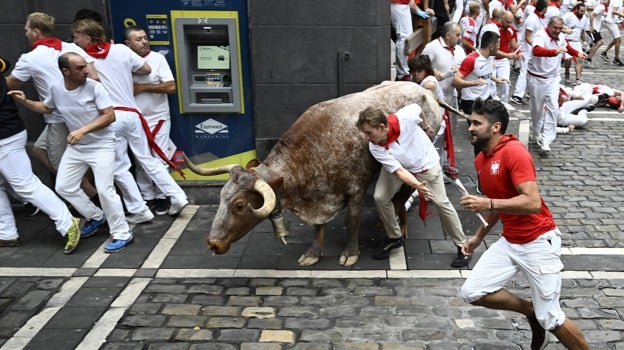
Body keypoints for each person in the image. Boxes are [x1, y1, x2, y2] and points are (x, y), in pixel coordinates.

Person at [459, 98, 591, 350]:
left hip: (538, 242)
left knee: (551, 317)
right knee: (472, 292)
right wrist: (478, 237)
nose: (470, 128)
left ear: (495, 127)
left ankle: (542, 317)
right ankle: (531, 312)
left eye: (477, 123)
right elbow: (499, 202)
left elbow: (531, 203)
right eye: (470, 122)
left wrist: (488, 203)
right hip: (510, 241)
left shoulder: (514, 152)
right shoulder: (481, 159)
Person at [9, 53, 134, 253]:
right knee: (64, 186)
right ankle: (96, 216)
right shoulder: (57, 88)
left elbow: (109, 116)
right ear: (65, 71)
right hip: (77, 147)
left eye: (85, 66)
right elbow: (47, 108)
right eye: (80, 68)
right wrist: (25, 102)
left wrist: (82, 130)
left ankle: (122, 233)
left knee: (104, 190)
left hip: (102, 145)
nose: (86, 71)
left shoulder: (95, 87)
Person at [71, 19, 188, 229]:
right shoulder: (121, 51)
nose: (75, 41)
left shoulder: (84, 59)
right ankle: (177, 195)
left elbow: (94, 80)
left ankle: (138, 209)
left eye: (77, 37)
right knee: (149, 160)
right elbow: (145, 68)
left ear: (87, 38)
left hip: (111, 117)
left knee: (119, 167)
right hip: (133, 115)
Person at [356, 104, 471, 268]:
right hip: (400, 168)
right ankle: (394, 237)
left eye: (369, 132)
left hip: (426, 166)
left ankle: (463, 245)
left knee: (441, 202)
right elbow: (399, 172)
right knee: (380, 197)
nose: (366, 137)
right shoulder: (375, 146)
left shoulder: (405, 118)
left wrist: (425, 127)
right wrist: (417, 185)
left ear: (382, 127)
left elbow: (418, 108)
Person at [6, 12, 99, 200]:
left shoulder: (30, 58)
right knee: (38, 150)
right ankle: (83, 194)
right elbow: (95, 77)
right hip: (83, 115)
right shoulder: (72, 48)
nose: (25, 34)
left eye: (26, 30)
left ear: (36, 31)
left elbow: (10, 85)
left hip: (58, 118)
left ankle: (94, 202)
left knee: (62, 167)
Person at [0, 56, 81, 252]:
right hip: (10, 132)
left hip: (5, 137)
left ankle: (67, 222)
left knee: (25, 184)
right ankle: (6, 233)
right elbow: (5, 63)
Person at [125, 25, 177, 216]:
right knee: (140, 160)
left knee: (159, 157)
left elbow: (171, 87)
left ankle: (163, 195)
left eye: (145, 37)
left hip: (158, 117)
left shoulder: (157, 59)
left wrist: (143, 87)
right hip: (135, 119)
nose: (144, 41)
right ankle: (148, 196)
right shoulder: (124, 61)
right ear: (128, 44)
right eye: (138, 39)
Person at [527, 16, 586, 154]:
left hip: (553, 78)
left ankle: (547, 139)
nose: (558, 31)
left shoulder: (561, 36)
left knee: (553, 106)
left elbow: (566, 47)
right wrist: (553, 52)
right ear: (548, 26)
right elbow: (536, 50)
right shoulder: (540, 35)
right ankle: (536, 131)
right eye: (555, 28)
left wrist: (577, 53)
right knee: (537, 109)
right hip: (537, 78)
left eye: (560, 28)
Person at [452, 31, 502, 116]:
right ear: (491, 46)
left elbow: (482, 73)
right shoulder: (471, 60)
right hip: (471, 101)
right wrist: (473, 83)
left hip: (485, 98)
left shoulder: (490, 56)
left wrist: (495, 79)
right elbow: (455, 81)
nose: (499, 47)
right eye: (498, 44)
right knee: (481, 127)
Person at [510, 0, 549, 105]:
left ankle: (529, 91)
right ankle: (517, 95)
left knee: (533, 71)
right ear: (544, 8)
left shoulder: (540, 18)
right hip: (526, 49)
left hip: (532, 49)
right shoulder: (532, 19)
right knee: (524, 72)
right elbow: (527, 37)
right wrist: (537, 45)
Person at [562, 3, 588, 85]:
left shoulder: (584, 18)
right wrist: (566, 29)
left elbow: (582, 31)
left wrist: (584, 41)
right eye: (581, 11)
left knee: (579, 59)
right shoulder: (568, 15)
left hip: (576, 42)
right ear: (576, 9)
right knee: (568, 59)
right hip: (567, 41)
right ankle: (567, 73)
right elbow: (560, 23)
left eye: (584, 11)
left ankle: (578, 79)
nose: (582, 13)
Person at [391, 0, 414, 81]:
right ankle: (402, 74)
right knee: (403, 37)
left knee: (405, 37)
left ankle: (403, 72)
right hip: (398, 3)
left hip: (403, 4)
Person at [584, 0, 608, 69]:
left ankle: (587, 56)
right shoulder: (602, 7)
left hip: (595, 28)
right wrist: (591, 27)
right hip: (591, 28)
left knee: (600, 42)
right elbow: (592, 15)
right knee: (598, 43)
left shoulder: (602, 7)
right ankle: (588, 60)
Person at [599, 0, 624, 66]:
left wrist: (619, 17)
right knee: (618, 39)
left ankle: (604, 53)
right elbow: (614, 11)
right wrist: (622, 15)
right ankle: (616, 59)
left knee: (616, 39)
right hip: (610, 22)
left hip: (611, 21)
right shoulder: (617, 1)